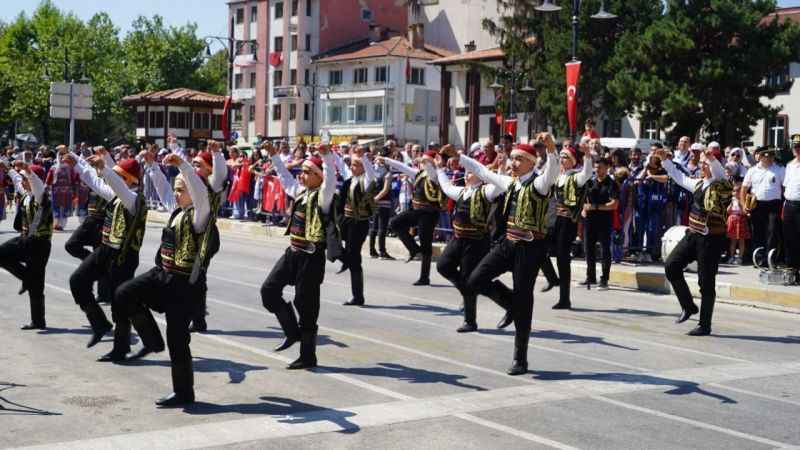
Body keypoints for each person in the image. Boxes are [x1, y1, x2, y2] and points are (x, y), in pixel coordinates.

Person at [113, 153, 210, 406]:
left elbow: (199, 193)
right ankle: (152, 341)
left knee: (178, 340)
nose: (176, 194)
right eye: (176, 190)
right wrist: (152, 166)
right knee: (124, 294)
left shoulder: (200, 216)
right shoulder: (177, 210)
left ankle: (183, 393)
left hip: (183, 285)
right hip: (162, 274)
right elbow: (164, 190)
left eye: (181, 190)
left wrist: (185, 167)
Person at [465, 135, 559, 375]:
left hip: (530, 248)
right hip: (508, 242)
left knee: (524, 299)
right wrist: (458, 157)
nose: (513, 163)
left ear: (530, 162)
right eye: (513, 159)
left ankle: (520, 359)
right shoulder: (511, 182)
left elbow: (552, 170)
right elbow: (483, 172)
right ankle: (510, 305)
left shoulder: (539, 184)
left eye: (519, 159)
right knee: (476, 279)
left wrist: (550, 148)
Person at [260, 143, 336, 370]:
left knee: (307, 306)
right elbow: (284, 177)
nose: (301, 176)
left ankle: (307, 355)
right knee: (269, 290)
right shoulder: (300, 191)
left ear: (318, 176)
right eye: (301, 172)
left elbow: (330, 179)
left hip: (311, 258)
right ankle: (292, 332)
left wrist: (327, 157)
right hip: (293, 252)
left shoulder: (324, 196)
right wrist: (274, 156)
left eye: (306, 172)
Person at [69, 151, 147, 361]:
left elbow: (117, 186)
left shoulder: (133, 198)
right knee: (77, 281)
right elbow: (95, 182)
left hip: (123, 257)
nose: (116, 181)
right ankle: (99, 324)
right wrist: (76, 161)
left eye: (121, 177)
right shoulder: (116, 194)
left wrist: (105, 168)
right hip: (105, 249)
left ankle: (120, 349)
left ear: (131, 181)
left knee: (119, 303)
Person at [656, 147, 731, 336]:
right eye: (702, 163)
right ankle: (688, 306)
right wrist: (665, 161)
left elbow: (720, 172)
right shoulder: (698, 183)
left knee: (706, 281)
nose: (703, 166)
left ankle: (705, 325)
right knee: (671, 265)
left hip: (711, 239)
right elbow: (678, 177)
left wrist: (712, 158)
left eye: (706, 164)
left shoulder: (721, 183)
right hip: (693, 235)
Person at [434, 145, 505, 332]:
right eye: (465, 172)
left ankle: (470, 321)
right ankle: (467, 288)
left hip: (476, 241)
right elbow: (446, 186)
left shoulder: (487, 191)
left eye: (470, 172)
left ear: (480, 176)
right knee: (443, 265)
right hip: (458, 239)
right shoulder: (462, 192)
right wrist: (440, 168)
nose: (466, 175)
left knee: (468, 278)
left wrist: (500, 167)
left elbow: (499, 185)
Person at [0, 162, 51, 330]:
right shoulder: (27, 194)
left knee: (37, 286)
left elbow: (35, 182)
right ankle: (27, 278)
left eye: (25, 179)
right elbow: (16, 180)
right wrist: (8, 168)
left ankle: (38, 321)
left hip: (39, 243)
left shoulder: (39, 194)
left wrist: (29, 171)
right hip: (26, 241)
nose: (22, 181)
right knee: (3, 255)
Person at [383, 148, 443, 286]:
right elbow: (402, 167)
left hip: (429, 213)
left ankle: (424, 277)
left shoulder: (435, 175)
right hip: (416, 210)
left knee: (426, 243)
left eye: (426, 161)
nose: (422, 162)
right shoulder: (419, 174)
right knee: (394, 223)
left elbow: (431, 170)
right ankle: (413, 249)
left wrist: (426, 160)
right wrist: (386, 160)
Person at [185, 141, 228, 332]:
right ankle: (196, 316)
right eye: (193, 164)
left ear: (208, 168)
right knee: (188, 276)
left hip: (207, 235)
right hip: (190, 232)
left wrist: (217, 153)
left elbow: (220, 174)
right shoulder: (193, 182)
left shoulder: (213, 183)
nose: (195, 168)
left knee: (196, 277)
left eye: (198, 165)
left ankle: (197, 318)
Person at [64, 147, 113, 304]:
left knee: (101, 257)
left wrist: (105, 157)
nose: (95, 160)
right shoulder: (94, 174)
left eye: (99, 157)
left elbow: (111, 169)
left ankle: (104, 294)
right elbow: (84, 168)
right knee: (71, 245)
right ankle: (91, 262)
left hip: (104, 221)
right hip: (91, 219)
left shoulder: (111, 178)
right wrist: (69, 153)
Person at [551, 144, 593, 310]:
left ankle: (564, 298)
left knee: (562, 258)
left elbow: (587, 173)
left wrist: (587, 155)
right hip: (554, 220)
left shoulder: (576, 177)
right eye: (561, 156)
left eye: (565, 156)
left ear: (573, 160)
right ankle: (552, 279)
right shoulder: (558, 176)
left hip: (568, 221)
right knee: (543, 249)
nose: (562, 159)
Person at [337, 145, 378, 306]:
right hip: (346, 221)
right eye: (352, 165)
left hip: (358, 223)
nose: (352, 167)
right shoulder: (350, 179)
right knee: (330, 240)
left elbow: (371, 174)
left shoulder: (366, 180)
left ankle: (358, 296)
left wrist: (364, 158)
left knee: (355, 258)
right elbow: (340, 165)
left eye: (356, 165)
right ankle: (345, 259)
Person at [742, 147, 785, 266]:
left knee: (772, 230)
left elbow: (784, 187)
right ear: (761, 157)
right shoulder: (752, 170)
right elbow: (744, 189)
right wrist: (743, 204)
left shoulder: (779, 169)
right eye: (767, 156)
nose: (770, 158)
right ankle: (759, 257)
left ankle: (770, 258)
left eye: (771, 156)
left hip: (774, 204)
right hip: (757, 204)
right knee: (757, 231)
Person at [581, 157, 619, 289]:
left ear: (607, 167)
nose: (597, 170)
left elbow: (614, 204)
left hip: (604, 221)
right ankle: (590, 277)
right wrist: (584, 209)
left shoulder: (612, 184)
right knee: (588, 249)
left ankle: (604, 279)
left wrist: (596, 207)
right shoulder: (590, 183)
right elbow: (584, 200)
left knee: (604, 250)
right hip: (589, 221)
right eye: (596, 167)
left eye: (600, 167)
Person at [368, 147, 396, 260]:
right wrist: (376, 199)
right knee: (382, 228)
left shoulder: (374, 171)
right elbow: (385, 190)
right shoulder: (387, 172)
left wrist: (372, 200)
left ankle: (372, 251)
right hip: (383, 203)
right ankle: (382, 252)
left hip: (375, 202)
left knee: (374, 227)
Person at [45, 145, 78, 231]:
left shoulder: (55, 168)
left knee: (59, 207)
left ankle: (58, 224)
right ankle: (59, 224)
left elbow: (48, 180)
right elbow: (74, 180)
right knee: (62, 207)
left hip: (59, 191)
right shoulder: (69, 168)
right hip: (64, 191)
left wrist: (46, 187)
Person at [783, 134, 800, 283]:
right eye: (795, 147)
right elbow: (786, 187)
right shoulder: (789, 165)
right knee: (789, 238)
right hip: (789, 204)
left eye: (799, 147)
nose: (796, 149)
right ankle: (791, 269)